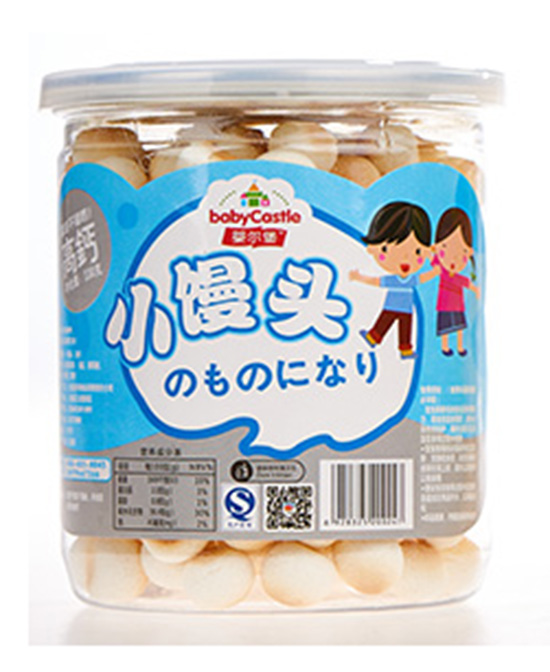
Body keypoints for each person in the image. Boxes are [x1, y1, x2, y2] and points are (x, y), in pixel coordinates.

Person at [349, 201, 438, 359]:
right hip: (393, 306)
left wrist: (434, 265)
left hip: (404, 308)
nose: (405, 259)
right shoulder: (394, 280)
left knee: (405, 329)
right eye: (385, 249)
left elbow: (424, 277)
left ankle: (404, 349)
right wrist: (359, 278)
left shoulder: (410, 279)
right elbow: (376, 281)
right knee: (385, 322)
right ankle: (374, 338)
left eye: (417, 252)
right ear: (373, 248)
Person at [431, 207, 480, 356]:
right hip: (444, 305)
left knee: (459, 327)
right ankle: (445, 347)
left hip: (458, 306)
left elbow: (467, 283)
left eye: (462, 252)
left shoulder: (458, 277)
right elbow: (432, 259)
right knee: (445, 328)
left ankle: (460, 347)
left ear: (469, 252)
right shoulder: (442, 269)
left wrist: (476, 290)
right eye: (444, 248)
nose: (453, 258)